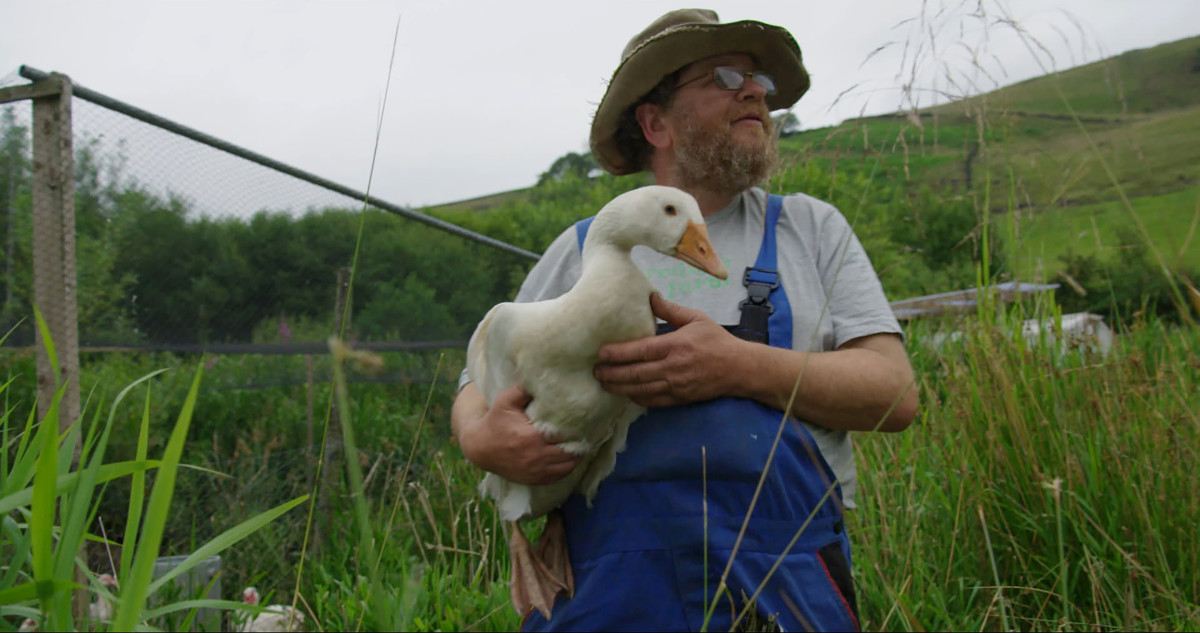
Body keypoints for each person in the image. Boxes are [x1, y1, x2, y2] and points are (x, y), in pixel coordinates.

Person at [451, 8, 918, 631]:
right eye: (723, 77)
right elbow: (476, 385)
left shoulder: (811, 229)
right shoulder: (582, 248)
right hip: (604, 587)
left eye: (759, 81)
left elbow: (895, 396)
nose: (754, 91)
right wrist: (480, 439)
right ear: (655, 122)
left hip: (783, 581)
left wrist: (739, 366)